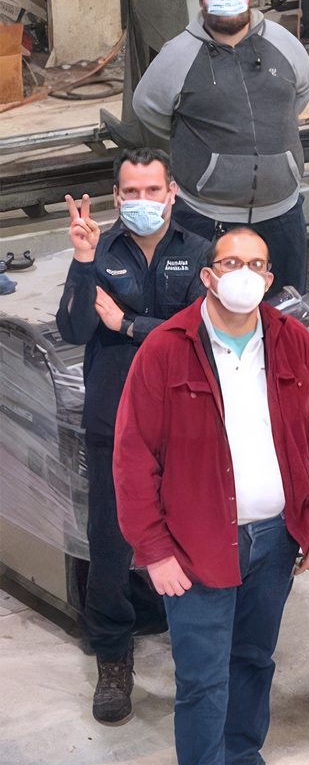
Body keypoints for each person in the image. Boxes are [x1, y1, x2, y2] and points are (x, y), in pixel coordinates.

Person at [113, 226, 309, 765]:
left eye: (257, 264)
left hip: (275, 540)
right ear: (208, 276)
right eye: (231, 263)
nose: (244, 274)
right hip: (195, 546)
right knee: (201, 679)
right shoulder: (167, 348)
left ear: (270, 278)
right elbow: (132, 456)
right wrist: (154, 549)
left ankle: (242, 763)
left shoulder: (295, 343)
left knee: (252, 659)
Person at [56, 153, 211, 726]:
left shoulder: (198, 252)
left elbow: (201, 331)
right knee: (112, 541)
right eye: (131, 191)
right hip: (113, 421)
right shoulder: (102, 252)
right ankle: (113, 656)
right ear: (117, 198)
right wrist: (81, 259)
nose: (142, 200)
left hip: (184, 422)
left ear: (172, 192)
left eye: (152, 188)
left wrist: (126, 326)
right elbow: (73, 327)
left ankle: (192, 638)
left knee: (190, 532)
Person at [130, 0, 309, 291]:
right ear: (202, 0)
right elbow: (149, 109)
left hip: (282, 215)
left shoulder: (283, 43)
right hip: (207, 218)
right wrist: (206, 160)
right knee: (205, 314)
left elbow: (301, 94)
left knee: (286, 316)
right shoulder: (179, 55)